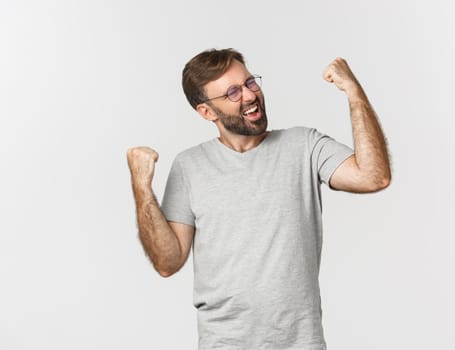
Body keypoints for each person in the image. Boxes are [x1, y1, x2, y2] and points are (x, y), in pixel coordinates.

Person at [127, 48, 391, 349]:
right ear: (207, 111)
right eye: (232, 92)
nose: (250, 96)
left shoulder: (304, 145)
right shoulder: (189, 166)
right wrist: (142, 187)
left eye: (250, 83)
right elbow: (168, 262)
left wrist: (354, 93)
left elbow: (373, 176)